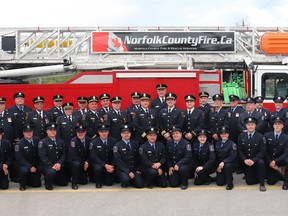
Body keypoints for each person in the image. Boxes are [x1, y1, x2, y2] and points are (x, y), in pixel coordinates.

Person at [237, 117, 266, 191]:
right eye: (248, 125)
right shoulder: (241, 136)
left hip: (256, 160)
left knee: (261, 162)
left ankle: (262, 183)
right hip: (246, 162)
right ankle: (258, 176)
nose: (250, 126)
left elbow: (262, 151)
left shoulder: (261, 136)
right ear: (246, 126)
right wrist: (245, 159)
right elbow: (239, 150)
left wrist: (254, 160)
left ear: (255, 125)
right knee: (249, 182)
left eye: (252, 124)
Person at [38, 123, 68, 190]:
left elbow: (63, 154)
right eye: (50, 130)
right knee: (51, 172)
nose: (52, 132)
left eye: (54, 130)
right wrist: (52, 165)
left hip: (58, 165)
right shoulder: (42, 142)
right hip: (47, 165)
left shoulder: (60, 141)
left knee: (64, 183)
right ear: (47, 131)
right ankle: (48, 183)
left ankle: (54, 179)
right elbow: (43, 157)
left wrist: (59, 163)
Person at [14, 124, 41, 191]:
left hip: (35, 165)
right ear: (23, 133)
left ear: (32, 132)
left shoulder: (37, 140)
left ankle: (29, 179)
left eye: (30, 131)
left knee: (36, 184)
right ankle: (22, 184)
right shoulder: (19, 144)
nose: (29, 133)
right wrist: (30, 167)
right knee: (24, 171)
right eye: (26, 132)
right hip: (24, 165)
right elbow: (19, 159)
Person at [264, 117, 288, 190]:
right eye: (275, 124)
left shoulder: (286, 137)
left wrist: (275, 161)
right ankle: (278, 173)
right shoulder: (266, 135)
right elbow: (264, 151)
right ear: (273, 125)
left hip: (280, 160)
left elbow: (286, 153)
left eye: (279, 124)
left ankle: (286, 182)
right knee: (271, 182)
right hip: (270, 160)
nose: (277, 126)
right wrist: (270, 162)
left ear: (282, 126)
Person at [166, 125, 192, 190]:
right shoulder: (169, 142)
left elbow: (188, 156)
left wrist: (179, 164)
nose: (175, 135)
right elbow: (167, 156)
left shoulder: (186, 143)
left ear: (181, 134)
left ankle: (184, 183)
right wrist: (170, 167)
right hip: (173, 166)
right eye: (173, 134)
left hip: (183, 165)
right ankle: (178, 178)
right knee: (173, 184)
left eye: (177, 133)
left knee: (183, 168)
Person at [67, 125, 91, 190]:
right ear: (76, 133)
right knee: (76, 164)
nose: (80, 134)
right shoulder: (73, 141)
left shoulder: (89, 140)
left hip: (84, 162)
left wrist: (87, 162)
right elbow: (73, 155)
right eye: (78, 132)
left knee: (84, 182)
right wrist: (83, 163)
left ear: (85, 132)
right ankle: (74, 183)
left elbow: (91, 153)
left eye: (82, 132)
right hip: (75, 161)